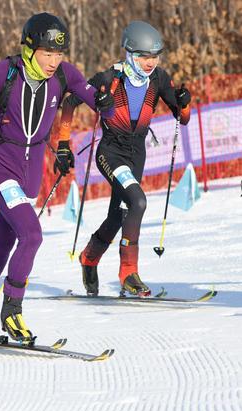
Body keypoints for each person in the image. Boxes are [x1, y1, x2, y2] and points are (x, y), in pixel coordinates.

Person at [0, 12, 114, 343]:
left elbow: (98, 102)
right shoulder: (2, 72)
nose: (53, 61)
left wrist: (105, 102)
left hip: (31, 173)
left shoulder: (64, 75)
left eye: (58, 53)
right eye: (47, 53)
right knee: (32, 235)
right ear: (30, 48)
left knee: (6, 241)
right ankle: (12, 309)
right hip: (1, 165)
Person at [58, 20, 191, 297]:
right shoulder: (109, 78)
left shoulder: (159, 79)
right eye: (144, 56)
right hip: (110, 152)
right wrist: (62, 144)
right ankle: (129, 272)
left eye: (154, 56)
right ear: (130, 53)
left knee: (120, 215)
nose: (150, 62)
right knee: (138, 201)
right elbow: (70, 103)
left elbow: (183, 118)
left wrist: (184, 101)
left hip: (136, 153)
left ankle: (90, 257)